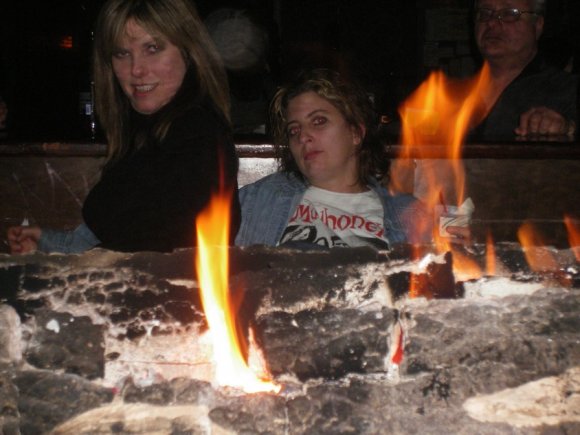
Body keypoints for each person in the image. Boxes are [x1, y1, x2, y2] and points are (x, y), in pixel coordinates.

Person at [7, 0, 240, 254]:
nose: (135, 69)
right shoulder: (145, 132)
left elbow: (159, 262)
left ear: (189, 52)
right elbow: (128, 246)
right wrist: (52, 245)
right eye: (121, 54)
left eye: (152, 48)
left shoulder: (197, 135)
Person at [235, 69, 469, 250]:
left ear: (356, 132)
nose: (303, 136)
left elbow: (444, 289)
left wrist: (461, 254)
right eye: (294, 130)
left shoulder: (413, 215)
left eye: (319, 121)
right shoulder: (259, 199)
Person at [469, 0, 578, 141]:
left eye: (509, 14)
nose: (491, 23)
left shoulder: (568, 91)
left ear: (537, 25)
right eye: (484, 13)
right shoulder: (452, 93)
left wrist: (568, 129)